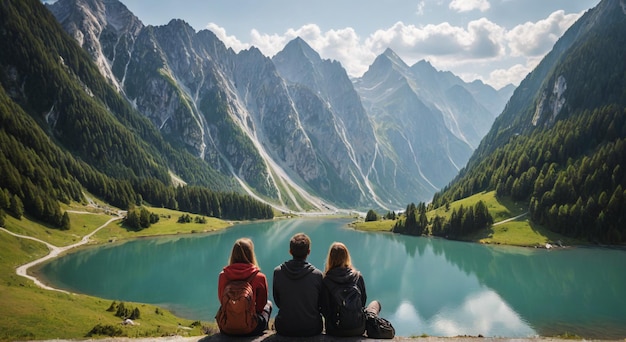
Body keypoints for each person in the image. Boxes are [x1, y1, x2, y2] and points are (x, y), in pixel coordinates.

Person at [321, 242, 382, 337]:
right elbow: (362, 302)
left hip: (334, 330)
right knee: (375, 304)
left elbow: (324, 308)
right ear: (346, 257)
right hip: (358, 328)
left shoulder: (326, 280)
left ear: (330, 258)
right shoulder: (357, 276)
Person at [217, 238, 272, 336]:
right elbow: (260, 306)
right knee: (268, 304)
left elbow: (222, 300)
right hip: (251, 328)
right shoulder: (259, 277)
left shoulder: (223, 275)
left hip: (226, 327)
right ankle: (263, 334)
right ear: (251, 254)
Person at [272, 233, 324, 337]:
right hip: (312, 328)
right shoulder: (317, 275)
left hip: (284, 327)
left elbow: (278, 300)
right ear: (308, 252)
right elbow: (320, 304)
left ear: (290, 251)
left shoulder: (278, 272)